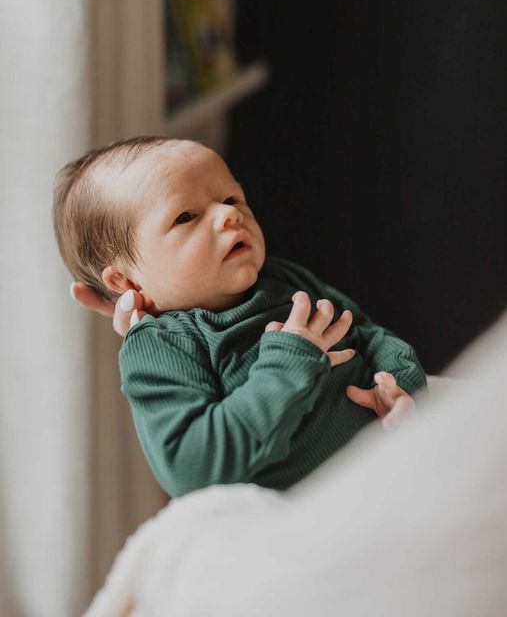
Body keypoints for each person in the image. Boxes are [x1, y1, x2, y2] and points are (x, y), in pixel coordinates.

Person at [54, 136, 426, 498]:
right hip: (307, 515)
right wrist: (288, 362)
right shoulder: (162, 345)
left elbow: (366, 333)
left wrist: (399, 384)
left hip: (390, 469)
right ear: (125, 279)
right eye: (186, 216)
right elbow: (191, 468)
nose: (230, 214)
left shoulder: (284, 280)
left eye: (231, 198)